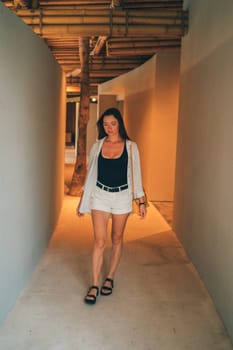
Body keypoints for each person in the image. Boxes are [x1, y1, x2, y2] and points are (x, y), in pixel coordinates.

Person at [76, 107, 147, 305]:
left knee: (117, 237)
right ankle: (95, 283)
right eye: (105, 124)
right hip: (100, 195)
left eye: (113, 123)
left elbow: (137, 175)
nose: (109, 128)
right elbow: (90, 174)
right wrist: (83, 200)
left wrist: (141, 201)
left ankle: (110, 277)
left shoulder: (131, 147)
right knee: (99, 241)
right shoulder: (97, 146)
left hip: (123, 197)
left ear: (120, 124)